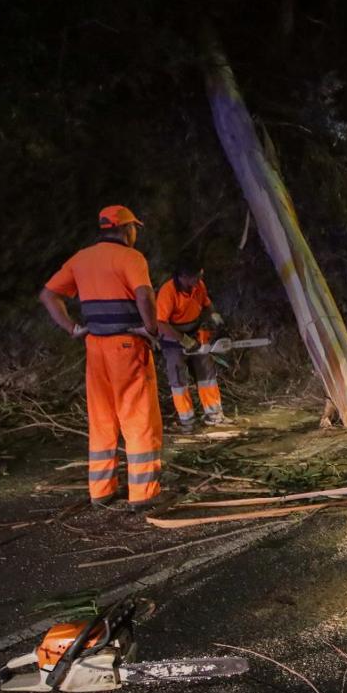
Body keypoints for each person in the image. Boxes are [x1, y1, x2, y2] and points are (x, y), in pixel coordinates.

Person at [39, 205, 163, 509]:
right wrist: (151, 328)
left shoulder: (81, 258)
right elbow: (144, 294)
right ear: (125, 229)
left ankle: (101, 491)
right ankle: (143, 495)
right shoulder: (130, 257)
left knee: (102, 420)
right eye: (134, 228)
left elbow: (48, 295)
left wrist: (72, 328)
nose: (135, 234)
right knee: (138, 419)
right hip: (127, 347)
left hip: (95, 347)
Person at [156, 259, 228, 430]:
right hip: (172, 337)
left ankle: (214, 414)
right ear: (183, 277)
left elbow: (207, 304)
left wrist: (215, 317)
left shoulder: (198, 286)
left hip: (194, 332)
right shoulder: (169, 292)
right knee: (179, 379)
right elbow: (161, 323)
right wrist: (183, 340)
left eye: (199, 276)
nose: (198, 280)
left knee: (206, 374)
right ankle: (187, 421)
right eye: (195, 277)